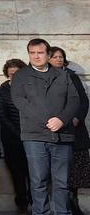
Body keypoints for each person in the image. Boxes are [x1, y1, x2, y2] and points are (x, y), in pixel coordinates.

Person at [12, 38, 80, 215]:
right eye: (32, 53)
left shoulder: (63, 75)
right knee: (38, 181)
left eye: (40, 52)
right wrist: (47, 120)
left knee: (62, 182)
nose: (36, 56)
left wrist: (62, 120)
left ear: (48, 54)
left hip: (62, 135)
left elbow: (74, 100)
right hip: (34, 136)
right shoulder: (21, 76)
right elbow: (20, 101)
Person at [49, 46, 90, 215]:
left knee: (76, 172)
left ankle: (73, 204)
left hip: (75, 131)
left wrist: (77, 118)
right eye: (55, 56)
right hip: (54, 131)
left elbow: (83, 101)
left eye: (61, 56)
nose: (58, 59)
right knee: (58, 172)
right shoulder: (42, 77)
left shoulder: (72, 76)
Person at [0, 58, 30, 214]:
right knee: (17, 175)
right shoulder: (1, 91)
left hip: (32, 138)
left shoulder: (31, 88)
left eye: (17, 73)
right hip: (12, 141)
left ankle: (38, 204)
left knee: (36, 174)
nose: (14, 76)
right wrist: (19, 134)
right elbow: (2, 116)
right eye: (11, 74)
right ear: (7, 75)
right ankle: (22, 204)